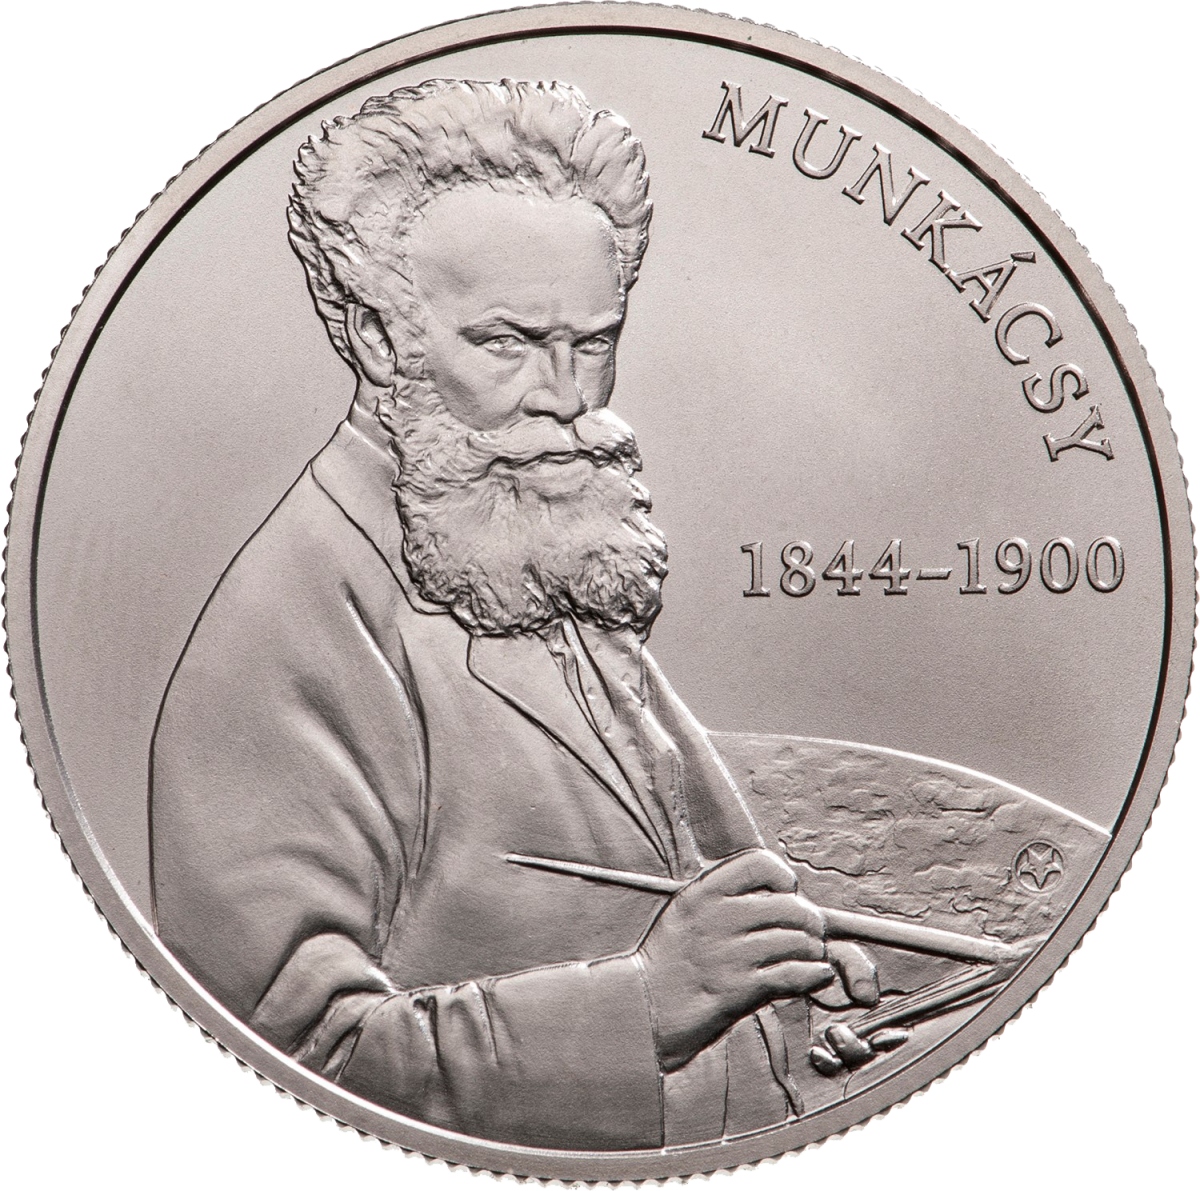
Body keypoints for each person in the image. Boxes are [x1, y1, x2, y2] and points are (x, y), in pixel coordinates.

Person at [149, 79, 882, 1151]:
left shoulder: (522, 526)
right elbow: (283, 1054)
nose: (567, 396)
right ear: (375, 336)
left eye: (594, 341)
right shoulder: (284, 632)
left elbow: (668, 862)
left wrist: (778, 976)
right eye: (508, 342)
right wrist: (647, 1004)